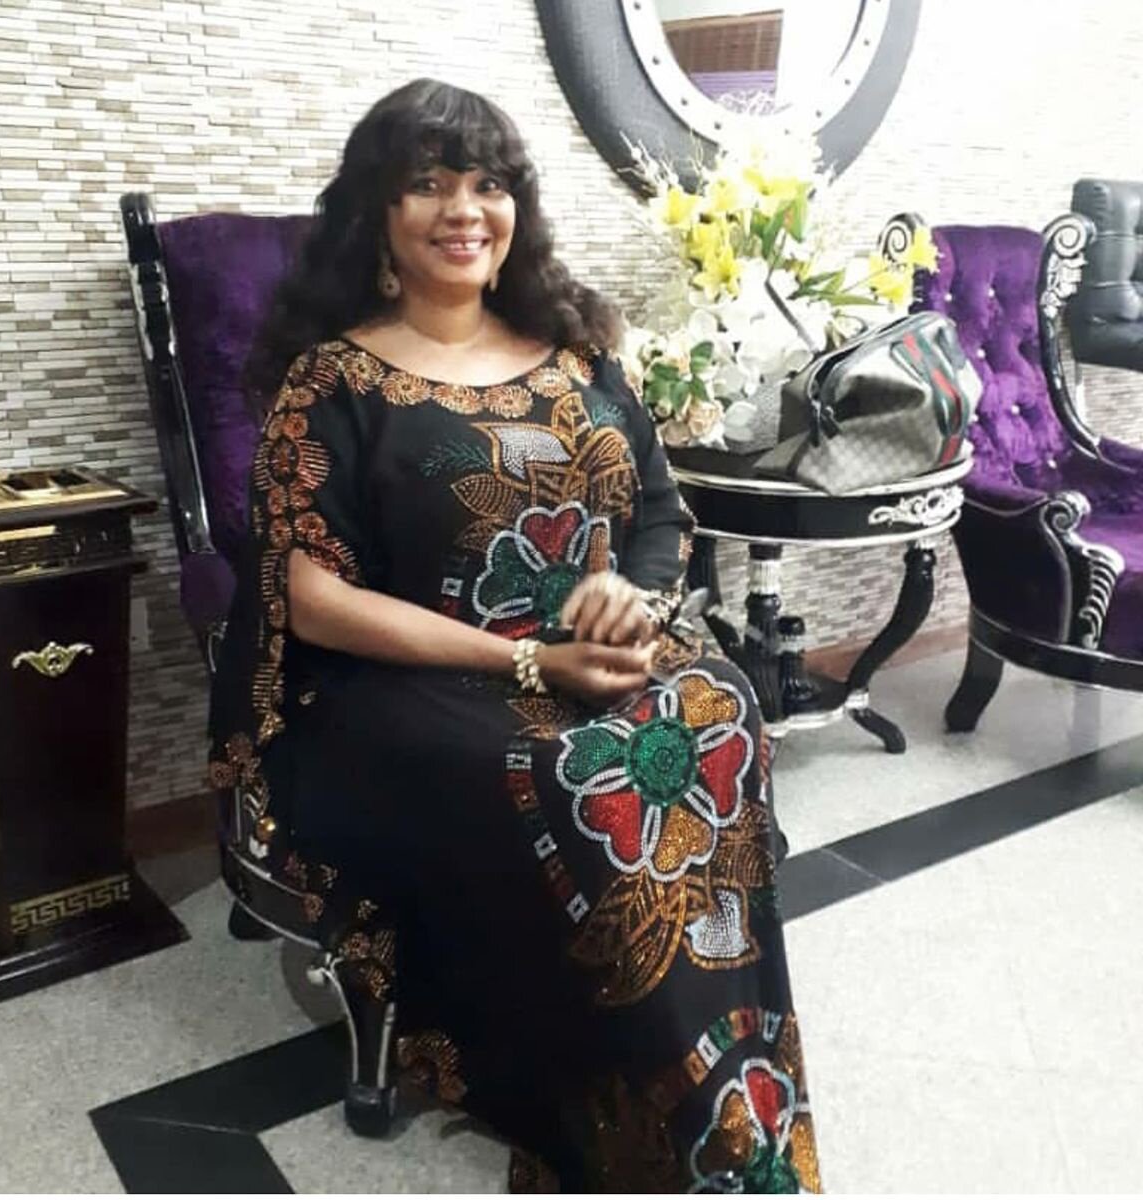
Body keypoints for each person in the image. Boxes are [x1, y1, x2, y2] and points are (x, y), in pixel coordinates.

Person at [209, 77, 819, 1193]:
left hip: (590, 649)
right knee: (574, 768)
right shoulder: (334, 380)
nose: (464, 209)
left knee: (716, 702)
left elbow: (658, 513)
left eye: (488, 183)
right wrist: (531, 658)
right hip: (402, 681)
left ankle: (715, 1072)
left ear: (517, 208)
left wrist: (632, 599)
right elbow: (313, 598)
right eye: (428, 184)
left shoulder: (576, 352)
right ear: (378, 214)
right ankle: (619, 1112)